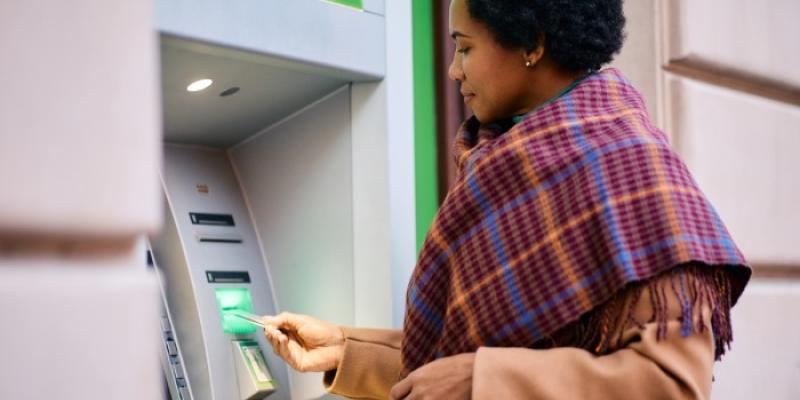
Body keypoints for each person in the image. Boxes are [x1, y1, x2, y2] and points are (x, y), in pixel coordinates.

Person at [262, 0, 751, 398]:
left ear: (532, 45)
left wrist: (483, 381)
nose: (453, 71)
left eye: (465, 48)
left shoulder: (630, 167)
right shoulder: (504, 165)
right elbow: (464, 357)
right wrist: (346, 350)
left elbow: (670, 385)